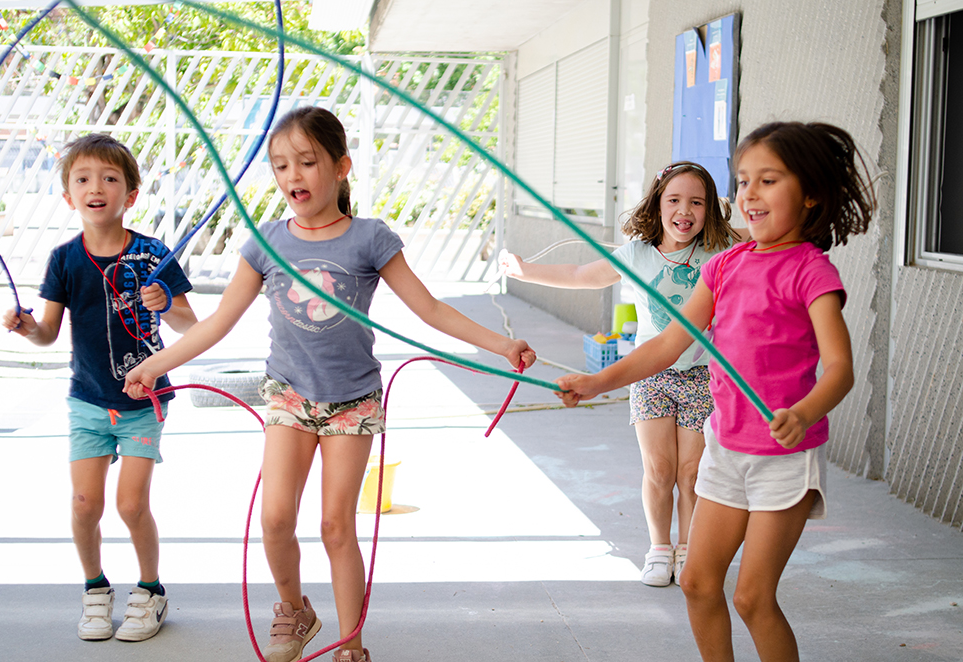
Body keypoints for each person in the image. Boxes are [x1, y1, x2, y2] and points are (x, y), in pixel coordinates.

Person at [123, 106, 536, 662]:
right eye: (280, 165)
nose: (293, 175)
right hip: (289, 396)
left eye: (307, 162)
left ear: (341, 167)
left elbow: (431, 309)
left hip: (352, 403)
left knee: (336, 526)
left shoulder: (369, 238)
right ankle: (295, 611)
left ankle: (350, 645)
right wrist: (154, 365)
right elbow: (218, 323)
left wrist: (501, 344)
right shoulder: (267, 242)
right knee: (274, 520)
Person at [556, 121, 874, 661]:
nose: (749, 192)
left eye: (768, 179)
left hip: (783, 458)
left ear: (811, 194)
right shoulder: (725, 266)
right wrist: (597, 382)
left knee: (752, 598)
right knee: (699, 583)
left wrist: (804, 411)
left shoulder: (811, 271)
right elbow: (666, 345)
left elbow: (840, 368)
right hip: (725, 450)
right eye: (743, 180)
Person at [499, 162, 743, 587]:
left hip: (704, 376)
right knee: (660, 468)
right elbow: (581, 276)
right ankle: (659, 548)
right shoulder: (637, 253)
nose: (684, 211)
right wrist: (525, 270)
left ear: (709, 210)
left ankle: (688, 548)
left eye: (696, 202)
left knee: (691, 471)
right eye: (674, 200)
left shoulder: (720, 253)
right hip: (651, 373)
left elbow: (760, 241)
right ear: (658, 203)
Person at [2, 133, 197, 642]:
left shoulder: (154, 254)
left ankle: (151, 590)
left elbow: (189, 325)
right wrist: (27, 328)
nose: (97, 187)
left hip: (143, 401)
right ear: (69, 195)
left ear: (130, 194)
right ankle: (95, 588)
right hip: (87, 401)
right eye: (83, 179)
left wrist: (165, 303)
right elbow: (47, 333)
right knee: (85, 504)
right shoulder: (65, 259)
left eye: (110, 179)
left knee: (132, 505)